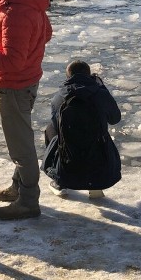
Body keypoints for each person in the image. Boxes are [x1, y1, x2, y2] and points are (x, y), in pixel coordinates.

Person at [0, 0, 52, 220]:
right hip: (27, 78)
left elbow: (12, 61)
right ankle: (18, 186)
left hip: (14, 84)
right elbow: (46, 33)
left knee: (20, 146)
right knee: (21, 138)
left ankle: (28, 201)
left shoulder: (16, 12)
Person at [41, 60, 122, 199]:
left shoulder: (58, 97)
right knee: (98, 132)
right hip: (98, 155)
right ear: (89, 75)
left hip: (69, 158)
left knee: (50, 129)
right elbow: (115, 119)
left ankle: (60, 181)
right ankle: (96, 186)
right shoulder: (100, 94)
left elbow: (56, 125)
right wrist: (103, 88)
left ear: (68, 76)